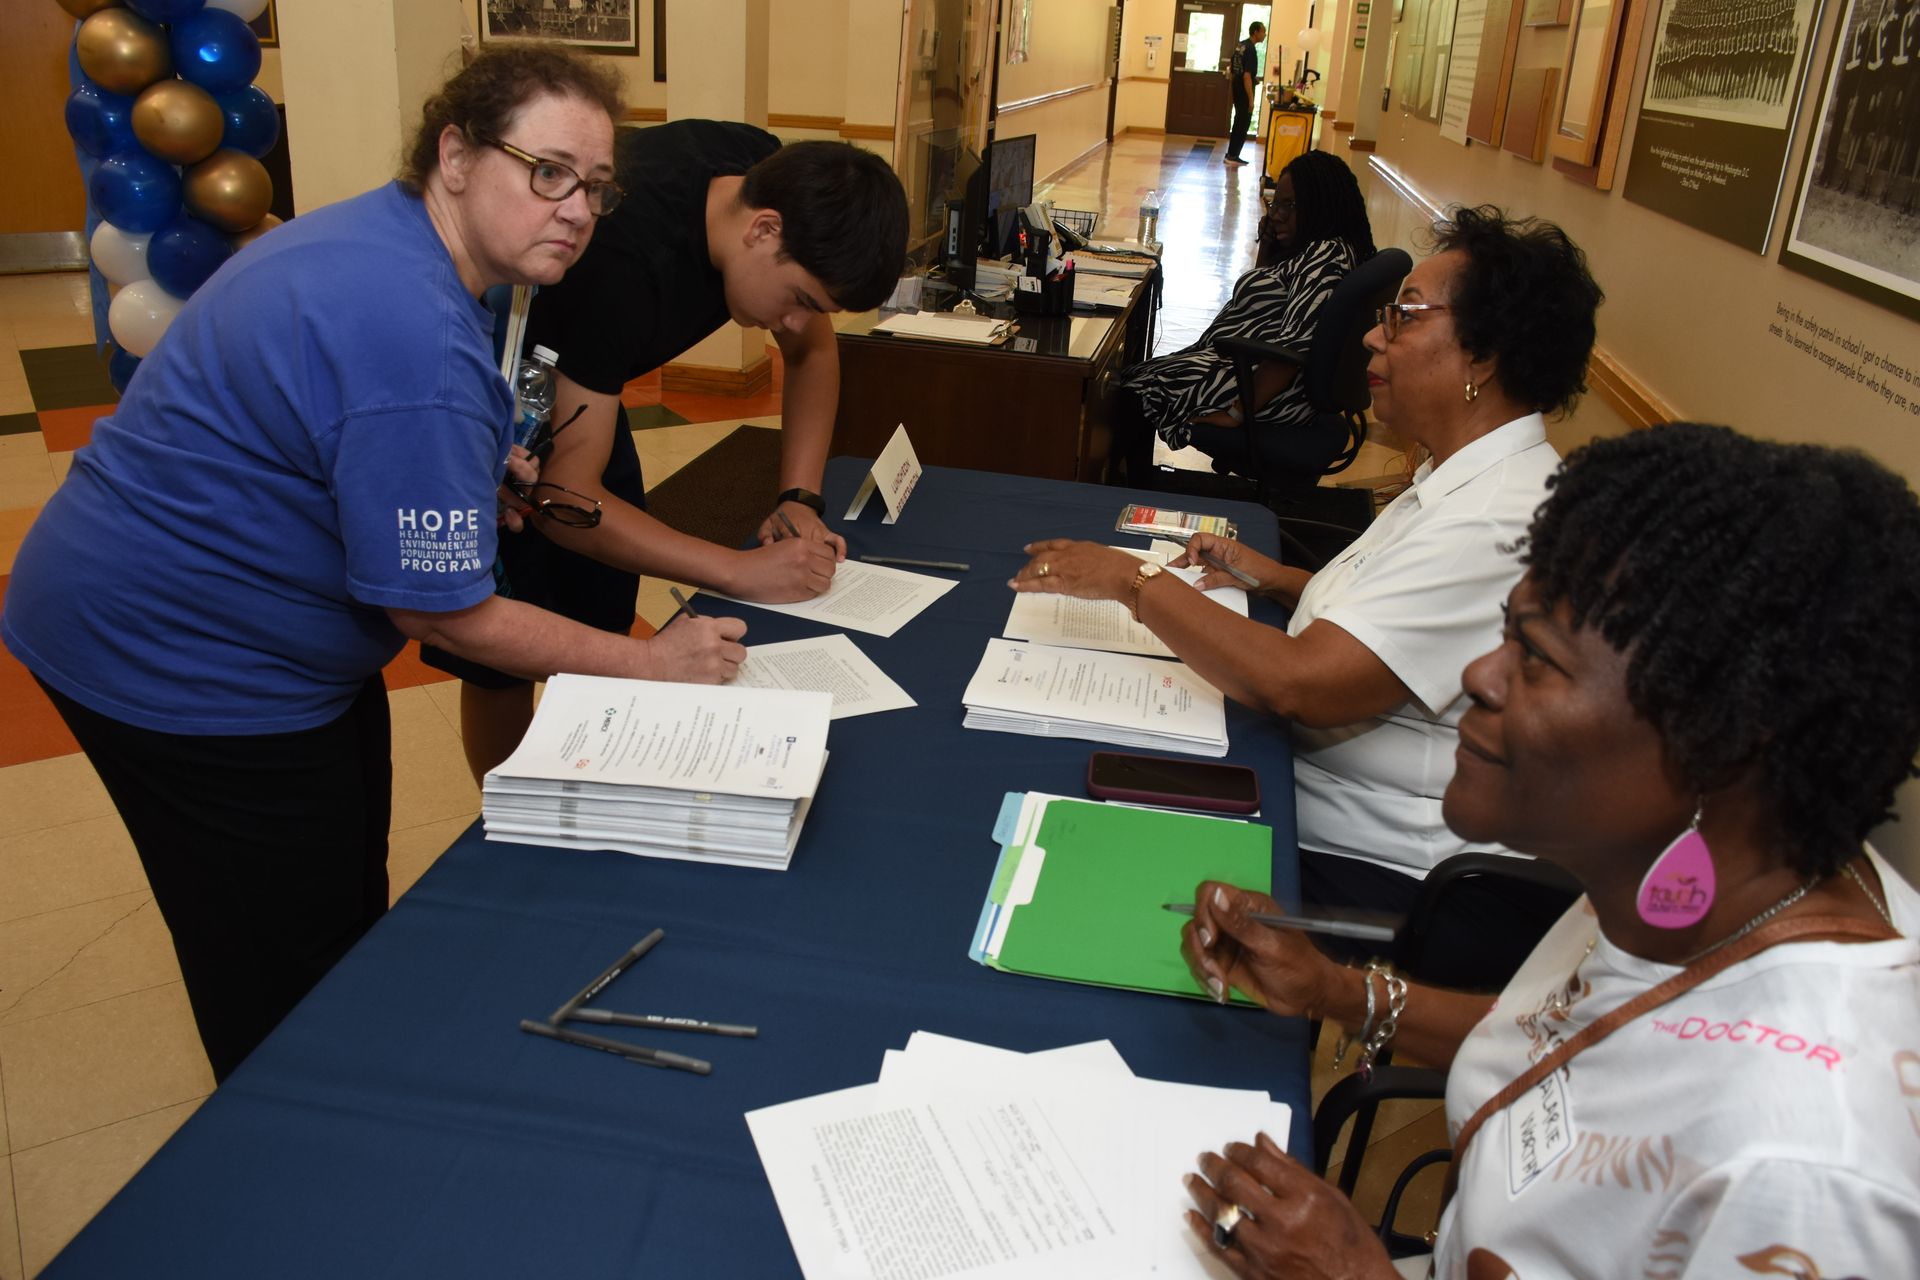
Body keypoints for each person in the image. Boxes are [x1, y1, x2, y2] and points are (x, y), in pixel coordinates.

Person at [0, 45, 747, 1083]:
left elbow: (339, 423)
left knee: (343, 893)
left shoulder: (403, 243)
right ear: (454, 152)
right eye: (549, 173)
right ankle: (289, 1154)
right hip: (168, 653)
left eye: (597, 186)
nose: (578, 208)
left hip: (223, 622)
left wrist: (458, 465)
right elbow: (450, 616)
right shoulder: (416, 328)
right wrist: (652, 661)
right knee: (280, 965)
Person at [1178, 422, 1920, 1278]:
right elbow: (1584, 1046)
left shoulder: (1810, 1171)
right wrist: (1338, 989)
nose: (1478, 678)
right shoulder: (1680, 875)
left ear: (1714, 744)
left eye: (1535, 660)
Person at [1015, 207, 1604, 961]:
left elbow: (1305, 686)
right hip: (1324, 796)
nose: (1372, 334)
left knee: (1089, 863)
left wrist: (1134, 581)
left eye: (1405, 316)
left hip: (1383, 863)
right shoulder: (1466, 477)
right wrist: (1279, 577)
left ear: (1482, 357)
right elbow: (1390, 617)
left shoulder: (1495, 519)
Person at [424, 122, 910, 782]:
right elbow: (565, 498)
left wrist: (799, 497)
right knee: (503, 654)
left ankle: (588, 776)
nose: (796, 322)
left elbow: (812, 349)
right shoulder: (615, 265)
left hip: (588, 388)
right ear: (763, 230)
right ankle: (506, 817)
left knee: (600, 615)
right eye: (799, 301)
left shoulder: (767, 175)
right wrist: (736, 572)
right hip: (491, 400)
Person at [1114, 150, 1375, 485]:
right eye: (1274, 204)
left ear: (1320, 204)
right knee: (1135, 376)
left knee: (1135, 388)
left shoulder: (1325, 256)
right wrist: (1268, 247)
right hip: (1261, 374)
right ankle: (1135, 483)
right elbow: (1264, 299)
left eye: (1288, 206)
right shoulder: (1327, 249)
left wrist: (1236, 413)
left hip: (1276, 393)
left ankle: (1132, 490)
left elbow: (1293, 348)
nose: (1277, 216)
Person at [1226, 21, 1267, 167]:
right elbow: (1246, 76)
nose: (1265, 34)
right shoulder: (1250, 49)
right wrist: (1251, 99)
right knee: (1243, 122)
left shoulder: (1240, 45)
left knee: (1238, 121)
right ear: (1256, 32)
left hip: (1237, 87)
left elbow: (1235, 69)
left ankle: (1231, 154)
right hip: (1244, 89)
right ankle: (1233, 155)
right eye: (1263, 31)